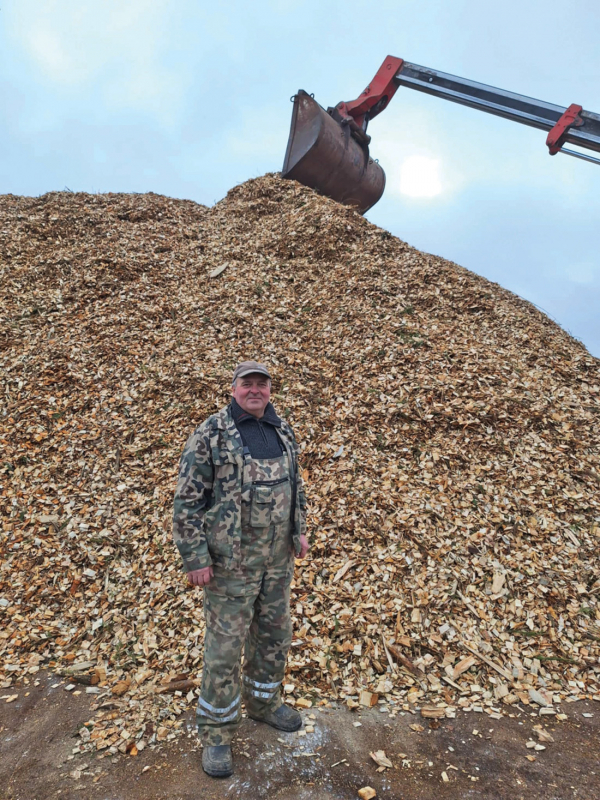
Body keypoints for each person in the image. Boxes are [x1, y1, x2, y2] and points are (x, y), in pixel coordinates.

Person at [172, 360, 309, 778]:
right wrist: (195, 558)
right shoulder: (210, 435)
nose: (255, 390)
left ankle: (264, 703)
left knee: (274, 636)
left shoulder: (281, 430)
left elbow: (296, 485)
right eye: (247, 384)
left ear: (269, 390)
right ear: (233, 389)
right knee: (224, 650)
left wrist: (299, 531)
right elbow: (186, 502)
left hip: (276, 562)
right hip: (231, 565)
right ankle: (216, 733)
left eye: (261, 385)